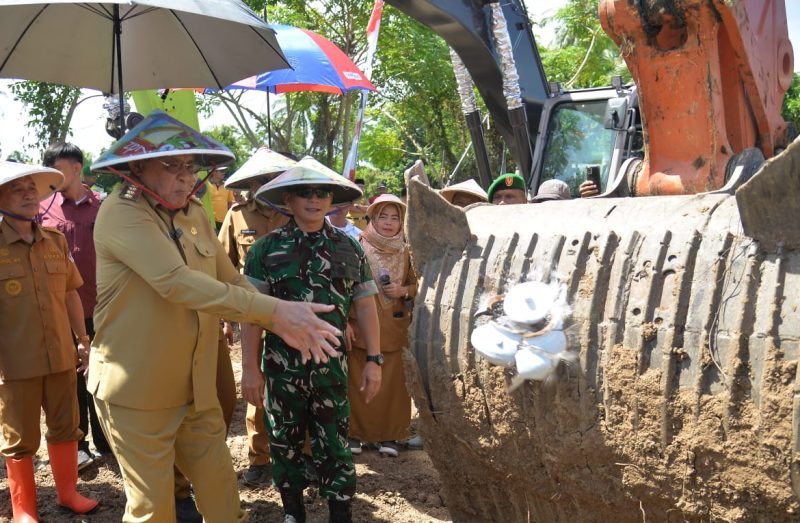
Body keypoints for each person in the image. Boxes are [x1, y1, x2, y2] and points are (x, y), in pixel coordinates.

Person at [87, 111, 342, 523]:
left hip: (197, 387)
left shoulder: (194, 214)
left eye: (190, 166)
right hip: (137, 391)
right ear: (137, 168)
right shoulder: (122, 212)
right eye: (171, 164)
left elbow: (232, 279)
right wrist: (275, 312)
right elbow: (176, 283)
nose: (185, 176)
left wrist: (284, 315)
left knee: (226, 505)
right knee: (154, 511)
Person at [241, 157, 382, 523]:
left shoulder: (349, 248)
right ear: (288, 199)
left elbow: (365, 307)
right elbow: (252, 317)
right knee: (284, 442)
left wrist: (374, 361)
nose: (315, 200)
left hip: (332, 367)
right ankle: (293, 513)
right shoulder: (264, 252)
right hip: (281, 368)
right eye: (305, 193)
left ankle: (340, 512)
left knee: (334, 442)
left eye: (322, 193)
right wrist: (250, 371)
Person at [0, 161, 100, 521]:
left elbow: (72, 295)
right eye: (18, 188)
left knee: (65, 426)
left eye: (32, 188)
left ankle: (68, 493)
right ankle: (24, 509)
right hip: (14, 362)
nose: (29, 194)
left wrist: (82, 339)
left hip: (60, 355)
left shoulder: (55, 241)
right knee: (20, 437)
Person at [218, 146, 295, 488]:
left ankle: (300, 454)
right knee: (255, 382)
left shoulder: (296, 211)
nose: (267, 183)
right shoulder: (237, 215)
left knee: (298, 380)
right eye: (262, 179)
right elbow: (221, 267)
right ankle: (259, 457)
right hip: (251, 314)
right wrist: (224, 317)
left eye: (273, 178)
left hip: (295, 311)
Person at [39, 143, 112, 473]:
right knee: (71, 377)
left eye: (60, 168)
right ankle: (78, 444)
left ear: (78, 167)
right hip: (61, 308)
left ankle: (107, 442)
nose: (55, 176)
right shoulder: (43, 210)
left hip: (104, 307)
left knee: (106, 373)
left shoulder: (105, 207)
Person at [347, 194, 417, 458]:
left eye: (395, 217)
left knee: (393, 384)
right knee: (356, 380)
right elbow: (341, 287)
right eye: (383, 216)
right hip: (360, 327)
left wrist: (404, 290)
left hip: (395, 327)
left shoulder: (407, 251)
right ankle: (354, 434)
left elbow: (419, 285)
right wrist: (344, 320)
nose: (389, 223)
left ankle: (390, 434)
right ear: (372, 218)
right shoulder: (356, 246)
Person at [207, 166, 234, 231]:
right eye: (221, 171)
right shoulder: (205, 185)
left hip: (224, 221)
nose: (224, 173)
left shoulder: (227, 186)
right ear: (214, 172)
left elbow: (230, 203)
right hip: (209, 221)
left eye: (224, 171)